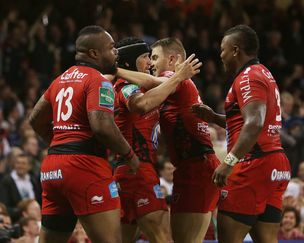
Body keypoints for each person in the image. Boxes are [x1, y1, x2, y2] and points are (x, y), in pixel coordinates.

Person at [29, 25, 140, 243]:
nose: (116, 51)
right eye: (111, 47)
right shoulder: (97, 80)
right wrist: (130, 155)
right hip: (84, 166)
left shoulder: (60, 79)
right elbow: (102, 127)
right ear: (94, 53)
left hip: (53, 168)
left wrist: (60, 144)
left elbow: (35, 119)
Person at [192, 25, 291, 243]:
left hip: (252, 164)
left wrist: (228, 162)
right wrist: (215, 118)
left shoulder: (247, 77)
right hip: (275, 162)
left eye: (223, 49)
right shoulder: (263, 72)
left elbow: (254, 124)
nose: (221, 55)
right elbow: (252, 122)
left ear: (235, 50)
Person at [113, 37, 201, 243]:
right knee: (163, 237)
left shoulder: (143, 86)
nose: (150, 63)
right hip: (138, 170)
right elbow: (141, 105)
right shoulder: (126, 86)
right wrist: (179, 76)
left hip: (132, 170)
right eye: (145, 57)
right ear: (129, 62)